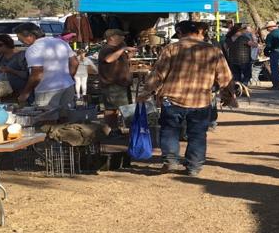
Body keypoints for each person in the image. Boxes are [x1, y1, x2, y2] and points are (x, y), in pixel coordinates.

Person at [140, 20, 234, 177]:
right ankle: (194, 166)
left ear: (180, 33)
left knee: (170, 131)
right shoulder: (213, 50)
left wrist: (146, 92)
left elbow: (158, 73)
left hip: (172, 99)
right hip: (201, 100)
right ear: (197, 32)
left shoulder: (171, 48)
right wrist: (228, 95)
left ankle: (170, 161)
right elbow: (224, 76)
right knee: (197, 134)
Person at [15, 23, 78, 113]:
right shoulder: (60, 42)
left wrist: (25, 93)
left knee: (47, 121)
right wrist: (68, 77)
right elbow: (74, 62)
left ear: (30, 36)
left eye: (20, 38)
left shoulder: (33, 49)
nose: (19, 40)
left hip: (47, 90)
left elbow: (37, 74)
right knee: (66, 119)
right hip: (67, 86)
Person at [94, 29, 136, 131]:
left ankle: (116, 129)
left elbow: (126, 58)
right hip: (112, 85)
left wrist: (131, 52)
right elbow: (109, 59)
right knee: (112, 109)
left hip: (120, 84)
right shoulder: (107, 49)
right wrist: (123, 48)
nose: (123, 37)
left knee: (119, 108)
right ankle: (113, 130)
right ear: (112, 37)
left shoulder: (116, 49)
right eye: (121, 35)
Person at [0, 34, 29, 102]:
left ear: (8, 43)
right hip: (0, 94)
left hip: (17, 94)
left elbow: (28, 75)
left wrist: (11, 71)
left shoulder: (21, 56)